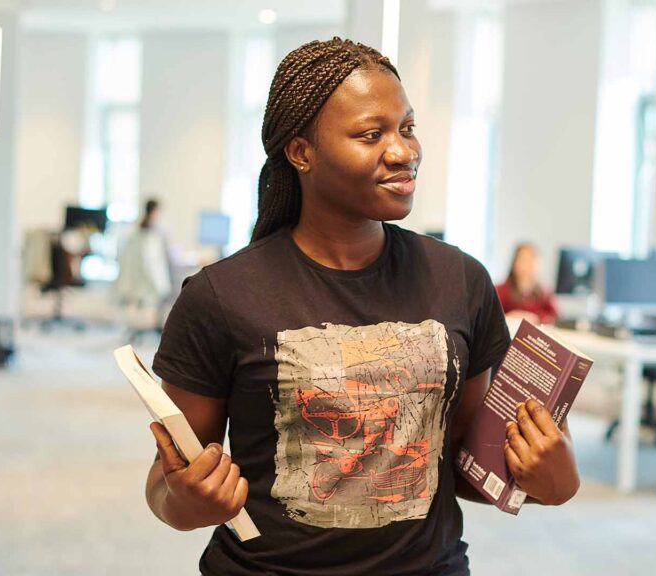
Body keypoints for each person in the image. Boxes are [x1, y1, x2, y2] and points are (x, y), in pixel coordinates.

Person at [144, 38, 580, 576]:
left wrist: (547, 480)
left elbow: (467, 463)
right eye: (371, 134)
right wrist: (185, 502)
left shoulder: (460, 280)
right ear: (301, 152)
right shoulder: (221, 297)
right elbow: (167, 483)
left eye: (408, 127)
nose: (403, 151)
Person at [113, 199, 172, 336]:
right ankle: (160, 327)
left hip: (136, 282)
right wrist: (161, 285)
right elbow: (151, 265)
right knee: (175, 289)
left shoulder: (136, 232)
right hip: (147, 283)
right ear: (154, 212)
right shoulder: (150, 235)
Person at [495, 242, 559, 325]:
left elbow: (555, 317)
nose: (528, 264)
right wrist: (510, 317)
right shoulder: (500, 290)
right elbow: (492, 317)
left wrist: (535, 318)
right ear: (515, 263)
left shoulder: (544, 292)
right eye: (524, 259)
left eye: (532, 259)